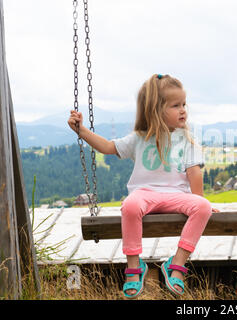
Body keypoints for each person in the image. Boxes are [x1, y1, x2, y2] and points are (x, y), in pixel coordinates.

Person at [68, 73, 219, 298]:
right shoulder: (140, 138)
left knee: (204, 207)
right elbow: (108, 147)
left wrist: (199, 200)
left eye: (184, 104)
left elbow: (194, 174)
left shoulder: (186, 140)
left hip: (177, 195)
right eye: (175, 105)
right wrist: (82, 131)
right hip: (145, 194)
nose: (183, 110)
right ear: (156, 110)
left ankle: (177, 264)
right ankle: (134, 267)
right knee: (129, 206)